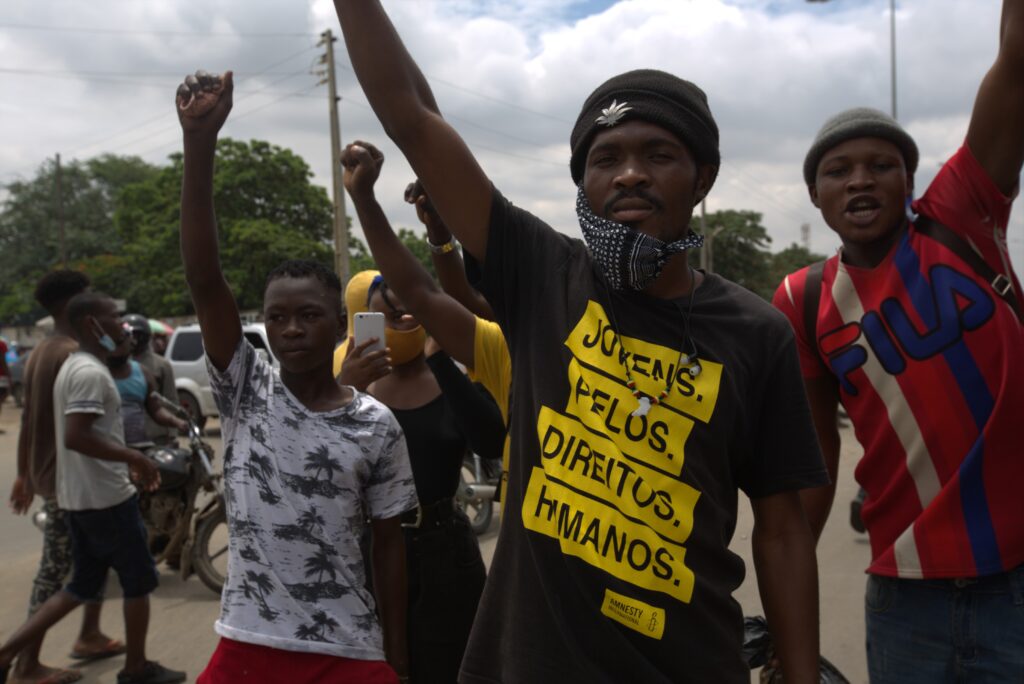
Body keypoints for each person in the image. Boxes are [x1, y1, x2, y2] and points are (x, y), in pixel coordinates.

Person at [332, 4, 828, 682]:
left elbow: (783, 530)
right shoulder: (542, 274)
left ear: (703, 179)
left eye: (659, 155)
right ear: (583, 186)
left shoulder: (757, 332)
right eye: (606, 159)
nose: (629, 174)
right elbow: (413, 117)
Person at [772, 3, 1024, 680]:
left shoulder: (962, 215)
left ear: (910, 184)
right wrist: (784, 610)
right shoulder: (801, 299)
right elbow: (814, 457)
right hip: (904, 597)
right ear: (816, 195)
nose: (859, 179)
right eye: (837, 170)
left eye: (881, 164)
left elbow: (1018, 61)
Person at [174, 69, 417, 684]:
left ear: (339, 324)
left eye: (309, 316)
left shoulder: (375, 425)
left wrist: (397, 653)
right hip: (248, 641)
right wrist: (199, 144)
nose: (289, 330)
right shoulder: (244, 388)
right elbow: (205, 278)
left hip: (349, 647)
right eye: (276, 317)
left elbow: (388, 546)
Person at [0, 291, 182, 684]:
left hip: (83, 498)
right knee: (140, 581)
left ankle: (7, 652)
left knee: (81, 585)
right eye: (113, 318)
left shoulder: (80, 366)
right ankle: (136, 668)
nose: (122, 325)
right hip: (106, 498)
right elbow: (77, 436)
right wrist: (134, 457)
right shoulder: (88, 372)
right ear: (92, 325)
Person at [7, 270, 127, 684]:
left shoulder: (43, 351)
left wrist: (24, 473)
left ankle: (90, 635)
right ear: (73, 306)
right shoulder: (71, 355)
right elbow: (79, 431)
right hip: (68, 482)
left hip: (54, 476)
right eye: (88, 296)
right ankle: (24, 662)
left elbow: (28, 419)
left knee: (96, 559)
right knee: (56, 571)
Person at [122, 314, 180, 445]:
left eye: (137, 335)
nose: (133, 340)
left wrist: (172, 434)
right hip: (126, 436)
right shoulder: (118, 364)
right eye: (129, 335)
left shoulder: (161, 365)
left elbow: (171, 400)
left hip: (156, 434)